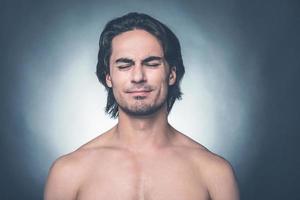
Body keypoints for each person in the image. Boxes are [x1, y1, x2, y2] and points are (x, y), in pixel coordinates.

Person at [44, 12, 240, 200]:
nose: (138, 77)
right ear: (108, 77)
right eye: (124, 65)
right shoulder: (68, 174)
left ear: (172, 74)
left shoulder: (214, 173)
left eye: (151, 64)